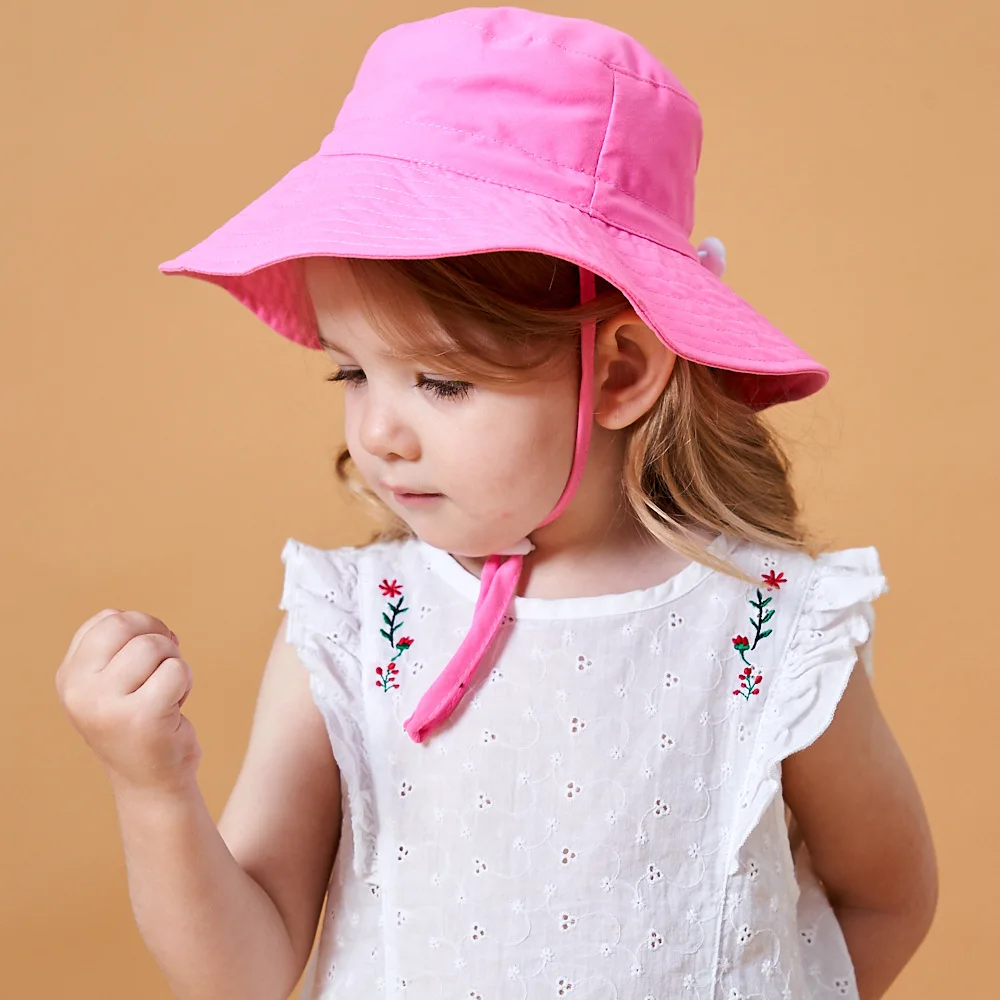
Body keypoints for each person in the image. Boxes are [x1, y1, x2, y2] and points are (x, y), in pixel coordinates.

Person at [55, 7, 937, 1000]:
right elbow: (243, 972)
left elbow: (884, 896)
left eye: (440, 381)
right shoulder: (359, 627)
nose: (380, 432)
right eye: (352, 372)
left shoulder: (762, 625)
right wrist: (154, 787)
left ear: (619, 372)